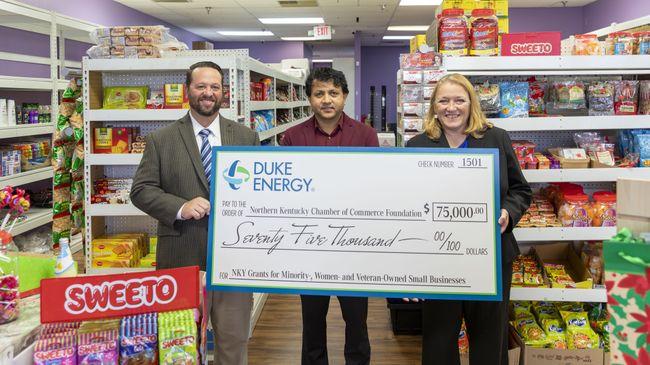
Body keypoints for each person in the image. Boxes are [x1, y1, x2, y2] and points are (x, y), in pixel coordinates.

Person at [130, 61, 260, 365]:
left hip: (233, 262)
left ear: (223, 93)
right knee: (180, 344)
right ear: (188, 89)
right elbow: (141, 191)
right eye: (201, 86)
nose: (208, 93)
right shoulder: (161, 140)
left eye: (215, 87)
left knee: (234, 342)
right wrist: (181, 206)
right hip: (180, 257)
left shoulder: (245, 137)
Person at [406, 73, 531, 365]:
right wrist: (408, 269)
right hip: (438, 262)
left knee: (489, 341)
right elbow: (407, 205)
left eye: (459, 100)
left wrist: (508, 213)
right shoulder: (417, 145)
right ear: (434, 106)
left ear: (471, 103)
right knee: (438, 342)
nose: (452, 107)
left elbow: (520, 190)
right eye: (444, 100)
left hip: (490, 259)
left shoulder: (496, 137)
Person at [281, 68, 378, 365]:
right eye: (319, 93)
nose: (327, 100)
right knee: (312, 323)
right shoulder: (292, 137)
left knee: (357, 322)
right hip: (309, 248)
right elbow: (284, 192)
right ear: (309, 98)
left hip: (353, 247)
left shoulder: (365, 135)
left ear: (344, 97)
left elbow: (376, 187)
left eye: (333, 93)